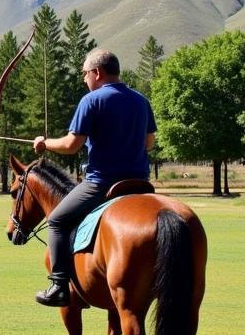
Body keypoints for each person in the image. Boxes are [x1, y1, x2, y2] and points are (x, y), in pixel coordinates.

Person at [31, 48, 157, 308]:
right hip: (140, 183)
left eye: (85, 73)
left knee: (56, 221)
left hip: (102, 183)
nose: (84, 79)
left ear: (97, 72)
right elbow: (149, 143)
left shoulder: (92, 100)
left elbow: (71, 145)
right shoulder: (141, 100)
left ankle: (58, 286)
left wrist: (44, 144)